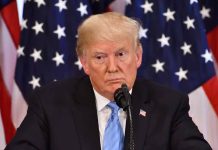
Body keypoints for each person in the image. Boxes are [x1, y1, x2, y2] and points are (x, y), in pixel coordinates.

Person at [5, 12, 211, 150]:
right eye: (100, 57)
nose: (112, 67)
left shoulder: (169, 105)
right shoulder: (50, 103)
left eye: (121, 54)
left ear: (137, 56)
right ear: (84, 62)